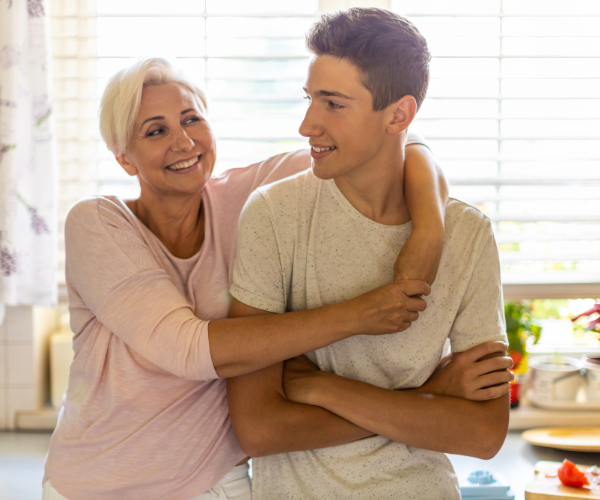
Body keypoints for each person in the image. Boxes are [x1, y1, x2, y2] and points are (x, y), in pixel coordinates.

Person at [42, 56, 450, 500]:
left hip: (216, 480)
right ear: (124, 159)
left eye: (191, 119)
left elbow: (390, 141)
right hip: (99, 483)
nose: (183, 141)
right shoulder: (98, 223)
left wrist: (429, 229)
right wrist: (361, 318)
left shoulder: (247, 198)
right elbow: (187, 349)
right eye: (156, 131)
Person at [227, 8, 513, 500]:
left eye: (333, 104)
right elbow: (259, 429)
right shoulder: (274, 214)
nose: (306, 125)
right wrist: (426, 401)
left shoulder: (466, 233)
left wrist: (321, 387)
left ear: (398, 115)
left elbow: (483, 434)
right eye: (310, 99)